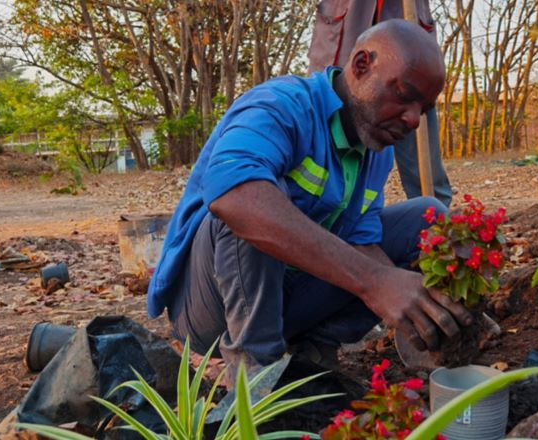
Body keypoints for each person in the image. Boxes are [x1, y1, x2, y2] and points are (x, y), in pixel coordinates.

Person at [147, 20, 471, 382]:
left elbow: (362, 242)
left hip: (287, 299)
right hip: (212, 309)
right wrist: (375, 281)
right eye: (404, 95)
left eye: (423, 109)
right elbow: (233, 197)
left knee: (427, 216)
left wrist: (412, 298)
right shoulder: (281, 105)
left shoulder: (376, 151)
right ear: (362, 65)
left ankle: (314, 350)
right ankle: (255, 375)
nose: (413, 119)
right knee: (251, 202)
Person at [307, 0, 453, 206]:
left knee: (413, 117)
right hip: (345, 27)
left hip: (407, 31)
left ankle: (433, 215)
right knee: (334, 134)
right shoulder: (287, 104)